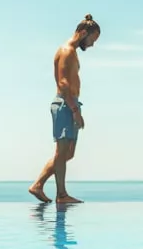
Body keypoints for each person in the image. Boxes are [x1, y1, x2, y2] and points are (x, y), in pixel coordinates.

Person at [29, 13, 101, 204]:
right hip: (64, 104)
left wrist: (76, 108)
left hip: (71, 103)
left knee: (68, 153)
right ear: (83, 33)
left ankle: (39, 185)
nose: (93, 44)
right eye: (93, 39)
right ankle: (61, 194)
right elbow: (62, 83)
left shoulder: (72, 51)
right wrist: (75, 111)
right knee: (62, 152)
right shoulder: (67, 51)